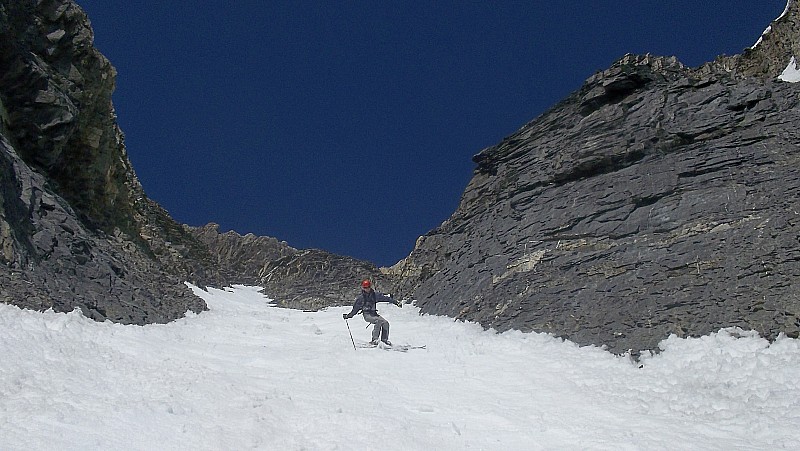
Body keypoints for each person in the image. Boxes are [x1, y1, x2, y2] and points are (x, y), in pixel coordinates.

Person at [343, 279, 401, 346]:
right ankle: (374, 340)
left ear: (370, 287)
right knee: (378, 321)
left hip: (374, 314)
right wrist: (348, 316)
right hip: (367, 315)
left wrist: (395, 302)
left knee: (385, 323)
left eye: (368, 287)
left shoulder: (375, 295)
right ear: (362, 288)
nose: (367, 289)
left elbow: (386, 298)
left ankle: (384, 340)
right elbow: (355, 310)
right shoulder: (361, 298)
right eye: (365, 287)